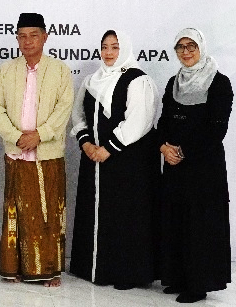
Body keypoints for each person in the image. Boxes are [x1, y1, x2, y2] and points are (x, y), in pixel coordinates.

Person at [69, 30, 159, 290]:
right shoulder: (91, 80)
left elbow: (140, 120)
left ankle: (126, 273)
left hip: (127, 162)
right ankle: (93, 268)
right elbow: (78, 115)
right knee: (96, 211)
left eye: (115, 47)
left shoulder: (138, 80)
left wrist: (108, 148)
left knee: (125, 215)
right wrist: (86, 143)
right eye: (105, 47)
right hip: (94, 158)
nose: (108, 52)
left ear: (125, 49)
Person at [0, 12, 73, 287]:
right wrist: (17, 137)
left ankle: (50, 271)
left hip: (48, 154)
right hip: (16, 153)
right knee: (17, 212)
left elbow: (64, 109)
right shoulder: (7, 70)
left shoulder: (59, 70)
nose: (27, 41)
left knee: (48, 214)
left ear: (45, 37)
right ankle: (14, 268)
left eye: (33, 35)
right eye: (22, 36)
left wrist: (40, 135)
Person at [157, 28, 233, 304]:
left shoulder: (219, 83)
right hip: (174, 166)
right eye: (181, 47)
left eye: (191, 46)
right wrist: (164, 147)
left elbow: (216, 129)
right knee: (176, 220)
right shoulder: (173, 83)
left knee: (200, 225)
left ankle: (198, 284)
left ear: (201, 48)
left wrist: (182, 151)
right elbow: (163, 121)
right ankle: (177, 277)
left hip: (204, 168)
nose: (186, 52)